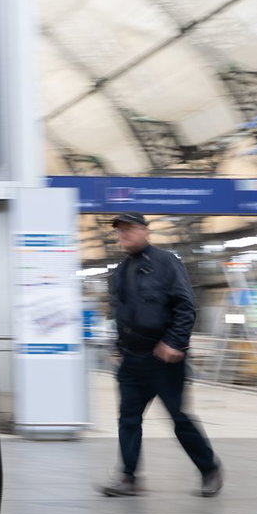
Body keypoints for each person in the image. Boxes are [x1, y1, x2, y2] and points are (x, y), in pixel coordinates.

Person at [101, 212, 223, 498]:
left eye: (129, 229)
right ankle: (128, 478)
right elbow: (119, 313)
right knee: (128, 418)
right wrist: (117, 348)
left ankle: (210, 469)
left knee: (179, 417)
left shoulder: (167, 263)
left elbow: (185, 306)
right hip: (132, 359)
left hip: (163, 359)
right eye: (120, 231)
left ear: (145, 231)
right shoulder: (119, 271)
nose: (123, 235)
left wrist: (174, 343)